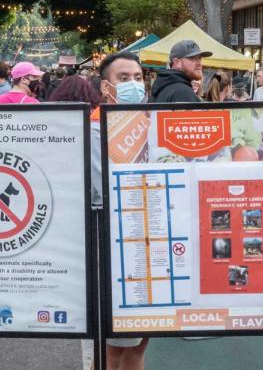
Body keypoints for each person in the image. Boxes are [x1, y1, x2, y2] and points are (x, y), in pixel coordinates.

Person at [89, 53, 152, 368]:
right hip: (114, 253)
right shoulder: (95, 130)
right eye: (123, 79)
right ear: (105, 87)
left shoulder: (151, 123)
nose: (133, 84)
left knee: (139, 347)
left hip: (150, 249)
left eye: (138, 78)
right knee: (112, 351)